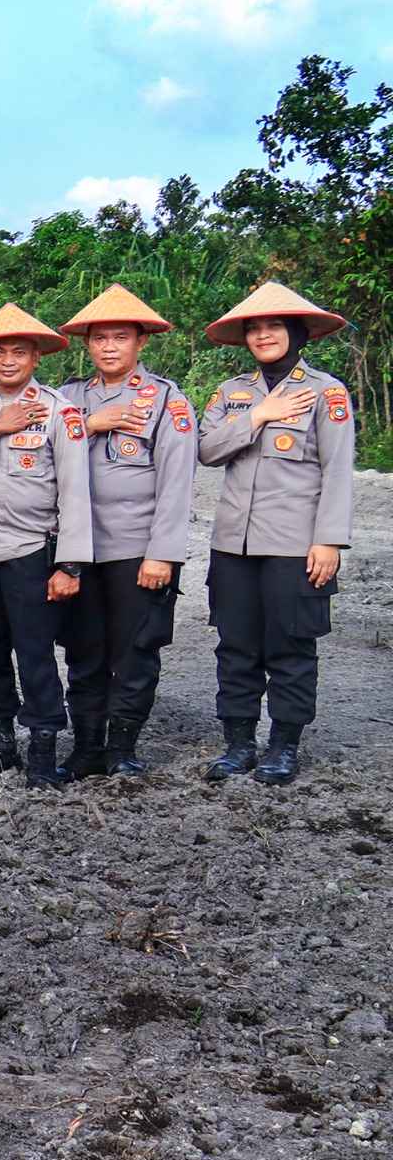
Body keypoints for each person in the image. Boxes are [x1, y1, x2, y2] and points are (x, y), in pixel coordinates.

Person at [197, 281, 356, 786]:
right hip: (233, 545)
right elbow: (207, 450)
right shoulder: (231, 394)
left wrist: (328, 539)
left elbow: (337, 471)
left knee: (291, 646)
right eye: (255, 328)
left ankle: (283, 746)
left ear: (297, 332)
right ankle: (239, 743)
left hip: (294, 544)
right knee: (235, 645)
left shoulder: (327, 392)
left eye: (274, 326)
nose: (264, 335)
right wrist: (258, 415)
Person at [0, 304, 92, 788]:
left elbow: (75, 491)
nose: (9, 360)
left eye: (20, 352)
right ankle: (2, 745)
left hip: (31, 551)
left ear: (35, 358)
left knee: (35, 654)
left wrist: (69, 564)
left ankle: (44, 753)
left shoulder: (59, 411)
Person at [56, 284, 194, 778]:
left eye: (120, 337)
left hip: (137, 548)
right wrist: (91, 423)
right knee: (83, 650)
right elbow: (45, 451)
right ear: (87, 345)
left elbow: (177, 484)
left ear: (141, 343)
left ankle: (122, 749)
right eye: (99, 339)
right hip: (77, 549)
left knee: (135, 651)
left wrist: (163, 554)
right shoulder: (68, 397)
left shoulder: (165, 400)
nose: (109, 347)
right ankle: (87, 746)